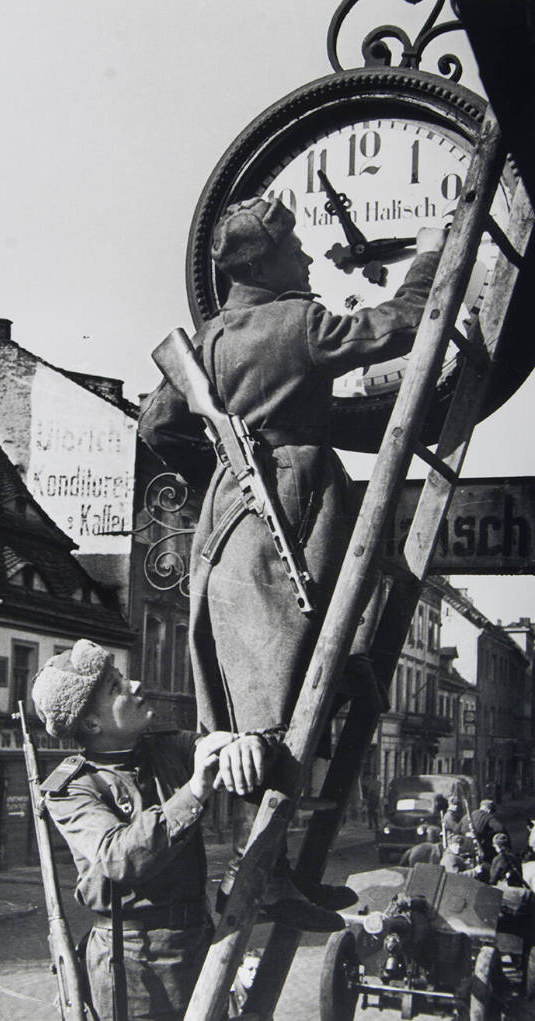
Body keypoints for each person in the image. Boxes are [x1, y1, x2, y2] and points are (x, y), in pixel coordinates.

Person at [140, 196, 446, 891]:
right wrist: (428, 253)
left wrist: (223, 470)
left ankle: (276, 870)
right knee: (300, 684)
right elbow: (398, 325)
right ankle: (266, 878)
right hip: (297, 516)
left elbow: (156, 424)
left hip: (228, 531)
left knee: (272, 691)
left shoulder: (210, 339)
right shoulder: (297, 323)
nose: (306, 256)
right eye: (293, 247)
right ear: (262, 259)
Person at [32, 640, 345, 1021]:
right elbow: (120, 858)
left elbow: (207, 744)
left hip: (199, 943)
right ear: (91, 723)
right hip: (132, 964)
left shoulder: (164, 747)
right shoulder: (73, 789)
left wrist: (242, 743)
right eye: (116, 687)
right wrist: (195, 789)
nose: (135, 685)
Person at [468, 798, 508, 863]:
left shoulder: (470, 814)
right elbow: (501, 828)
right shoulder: (487, 816)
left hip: (466, 847)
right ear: (489, 810)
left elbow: (456, 829)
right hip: (480, 847)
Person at [228, 947, 261, 1018]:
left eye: (257, 970)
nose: (254, 974)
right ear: (239, 970)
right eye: (250, 969)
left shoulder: (259, 995)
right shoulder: (228, 996)